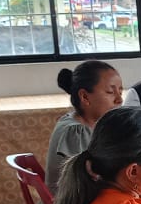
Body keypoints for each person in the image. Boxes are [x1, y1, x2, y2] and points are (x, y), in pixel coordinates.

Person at [46, 61, 124, 196]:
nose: (119, 100)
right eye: (110, 92)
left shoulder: (76, 120)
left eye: (120, 92)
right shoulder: (77, 132)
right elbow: (92, 181)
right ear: (85, 96)